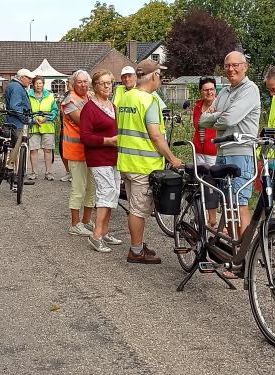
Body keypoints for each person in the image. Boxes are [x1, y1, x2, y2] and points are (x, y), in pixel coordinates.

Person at [117, 59, 183, 264]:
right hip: (144, 165)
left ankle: (138, 244)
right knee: (139, 210)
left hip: (127, 162)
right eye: (160, 75)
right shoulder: (149, 101)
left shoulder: (127, 97)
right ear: (154, 76)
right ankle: (136, 251)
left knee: (134, 206)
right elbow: (156, 136)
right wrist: (172, 158)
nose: (160, 79)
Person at [199, 51, 260, 239]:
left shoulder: (250, 89)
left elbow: (230, 119)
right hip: (222, 152)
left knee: (240, 204)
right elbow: (203, 119)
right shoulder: (225, 91)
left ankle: (244, 258)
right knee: (228, 205)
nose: (231, 69)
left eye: (235, 65)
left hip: (241, 153)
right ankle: (234, 254)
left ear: (245, 67)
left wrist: (220, 116)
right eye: (227, 66)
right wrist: (223, 116)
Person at [80, 69, 122, 252]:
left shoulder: (112, 106)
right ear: (94, 86)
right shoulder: (89, 108)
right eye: (102, 83)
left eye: (109, 83)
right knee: (106, 193)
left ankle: (104, 231)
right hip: (98, 158)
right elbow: (85, 137)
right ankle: (96, 235)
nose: (107, 86)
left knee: (113, 193)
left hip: (114, 157)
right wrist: (108, 141)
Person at [62, 70, 96, 236]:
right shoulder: (70, 101)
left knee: (92, 187)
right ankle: (75, 224)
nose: (83, 84)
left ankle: (86, 221)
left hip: (90, 149)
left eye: (85, 81)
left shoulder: (89, 97)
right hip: (76, 151)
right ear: (73, 84)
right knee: (78, 188)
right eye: (80, 82)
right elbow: (85, 122)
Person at [192, 76, 218, 228]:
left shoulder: (220, 105)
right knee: (200, 181)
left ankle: (213, 218)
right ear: (201, 92)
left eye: (212, 89)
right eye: (206, 90)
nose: (209, 92)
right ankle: (203, 214)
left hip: (213, 151)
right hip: (199, 149)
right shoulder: (197, 106)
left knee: (212, 182)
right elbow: (197, 124)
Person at [4, 68, 34, 190]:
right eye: (29, 78)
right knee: (18, 150)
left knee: (15, 150)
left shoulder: (15, 85)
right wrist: (26, 119)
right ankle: (16, 176)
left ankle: (15, 178)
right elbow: (14, 106)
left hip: (15, 122)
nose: (31, 81)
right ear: (22, 78)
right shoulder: (17, 87)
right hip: (18, 124)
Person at [27, 75, 58, 181]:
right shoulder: (28, 95)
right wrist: (34, 119)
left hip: (48, 126)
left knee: (48, 150)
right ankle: (34, 172)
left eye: (40, 83)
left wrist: (46, 118)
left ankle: (48, 172)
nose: (38, 85)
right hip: (33, 126)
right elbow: (26, 110)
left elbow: (54, 110)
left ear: (43, 84)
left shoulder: (50, 96)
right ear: (33, 84)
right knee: (33, 150)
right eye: (36, 83)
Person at [58, 81, 72, 182]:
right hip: (63, 127)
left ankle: (74, 173)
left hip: (73, 129)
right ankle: (68, 171)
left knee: (72, 151)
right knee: (62, 150)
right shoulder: (66, 96)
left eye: (69, 83)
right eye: (67, 84)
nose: (67, 86)